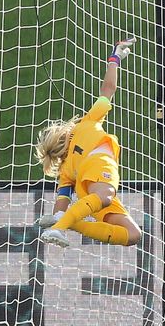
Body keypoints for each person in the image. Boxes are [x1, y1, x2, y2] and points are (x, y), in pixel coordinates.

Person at [36, 37, 142, 248]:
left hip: (89, 196)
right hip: (99, 170)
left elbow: (62, 201)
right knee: (105, 196)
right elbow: (108, 90)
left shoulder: (66, 170)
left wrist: (60, 215)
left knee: (133, 235)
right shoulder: (86, 122)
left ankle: (69, 223)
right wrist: (115, 59)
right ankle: (60, 227)